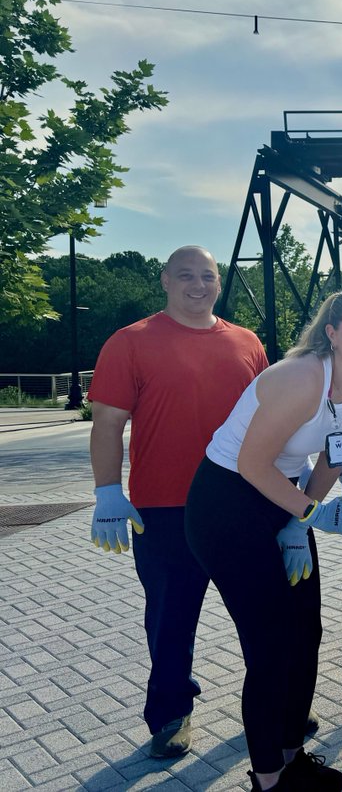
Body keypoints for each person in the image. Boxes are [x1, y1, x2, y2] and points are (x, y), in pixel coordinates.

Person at [185, 288, 342, 791]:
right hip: (226, 504)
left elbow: (334, 453)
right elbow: (252, 464)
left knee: (306, 633)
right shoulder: (299, 378)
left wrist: (300, 523)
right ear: (333, 333)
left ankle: (292, 755)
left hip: (283, 498)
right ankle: (268, 779)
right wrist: (314, 514)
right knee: (270, 645)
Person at [87, 245, 271, 760]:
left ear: (218, 283)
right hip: (165, 508)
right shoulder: (131, 342)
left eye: (207, 276)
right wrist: (107, 492)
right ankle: (170, 713)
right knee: (170, 618)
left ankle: (276, 700)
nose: (198, 285)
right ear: (165, 280)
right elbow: (107, 424)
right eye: (186, 275)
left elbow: (271, 420)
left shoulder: (246, 342)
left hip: (241, 501)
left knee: (262, 613)